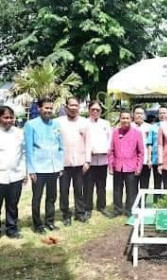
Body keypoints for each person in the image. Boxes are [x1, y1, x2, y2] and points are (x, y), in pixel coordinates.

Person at [25, 96, 64, 234]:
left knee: (52, 197)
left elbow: (60, 147)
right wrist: (31, 170)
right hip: (39, 169)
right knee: (37, 198)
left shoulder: (56, 125)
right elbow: (29, 149)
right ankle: (37, 224)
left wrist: (60, 166)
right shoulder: (31, 125)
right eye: (46, 108)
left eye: (50, 108)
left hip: (53, 168)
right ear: (39, 108)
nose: (48, 110)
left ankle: (49, 221)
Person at [57, 97, 91, 226]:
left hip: (80, 163)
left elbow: (88, 143)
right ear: (66, 107)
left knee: (79, 189)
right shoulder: (58, 122)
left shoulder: (84, 122)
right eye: (71, 105)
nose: (74, 108)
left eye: (76, 105)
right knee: (63, 190)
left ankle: (80, 213)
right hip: (63, 163)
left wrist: (88, 161)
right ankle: (66, 214)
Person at [108, 110, 143, 216]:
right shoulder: (115, 132)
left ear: (131, 119)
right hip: (117, 166)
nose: (125, 120)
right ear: (120, 119)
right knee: (117, 189)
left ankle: (129, 210)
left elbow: (141, 152)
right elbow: (111, 150)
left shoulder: (137, 133)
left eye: (127, 118)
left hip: (131, 166)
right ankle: (117, 209)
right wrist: (110, 165)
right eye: (123, 118)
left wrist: (139, 167)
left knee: (131, 190)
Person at [0, 106, 26, 238]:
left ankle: (11, 229)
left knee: (12, 205)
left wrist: (23, 173)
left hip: (15, 176)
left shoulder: (19, 132)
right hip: (0, 177)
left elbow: (23, 154)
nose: (9, 120)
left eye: (11, 117)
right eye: (5, 117)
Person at [84, 101, 112, 219]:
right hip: (89, 160)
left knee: (102, 185)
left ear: (101, 111)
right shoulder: (84, 123)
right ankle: (87, 208)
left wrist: (107, 150)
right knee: (88, 185)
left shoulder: (105, 123)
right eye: (93, 109)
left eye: (98, 110)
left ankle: (102, 206)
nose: (95, 111)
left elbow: (109, 139)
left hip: (102, 159)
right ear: (89, 110)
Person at [147, 106, 167, 202]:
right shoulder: (153, 127)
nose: (162, 115)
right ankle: (156, 202)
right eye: (160, 113)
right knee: (157, 182)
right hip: (156, 159)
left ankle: (166, 202)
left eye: (164, 113)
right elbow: (150, 144)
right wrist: (149, 158)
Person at [132, 105, 152, 191]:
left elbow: (150, 144)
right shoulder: (129, 126)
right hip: (132, 161)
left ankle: (142, 203)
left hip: (145, 160)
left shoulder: (149, 127)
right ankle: (133, 204)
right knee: (132, 185)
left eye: (141, 113)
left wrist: (149, 159)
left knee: (144, 185)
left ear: (144, 115)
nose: (139, 115)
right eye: (137, 113)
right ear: (133, 115)